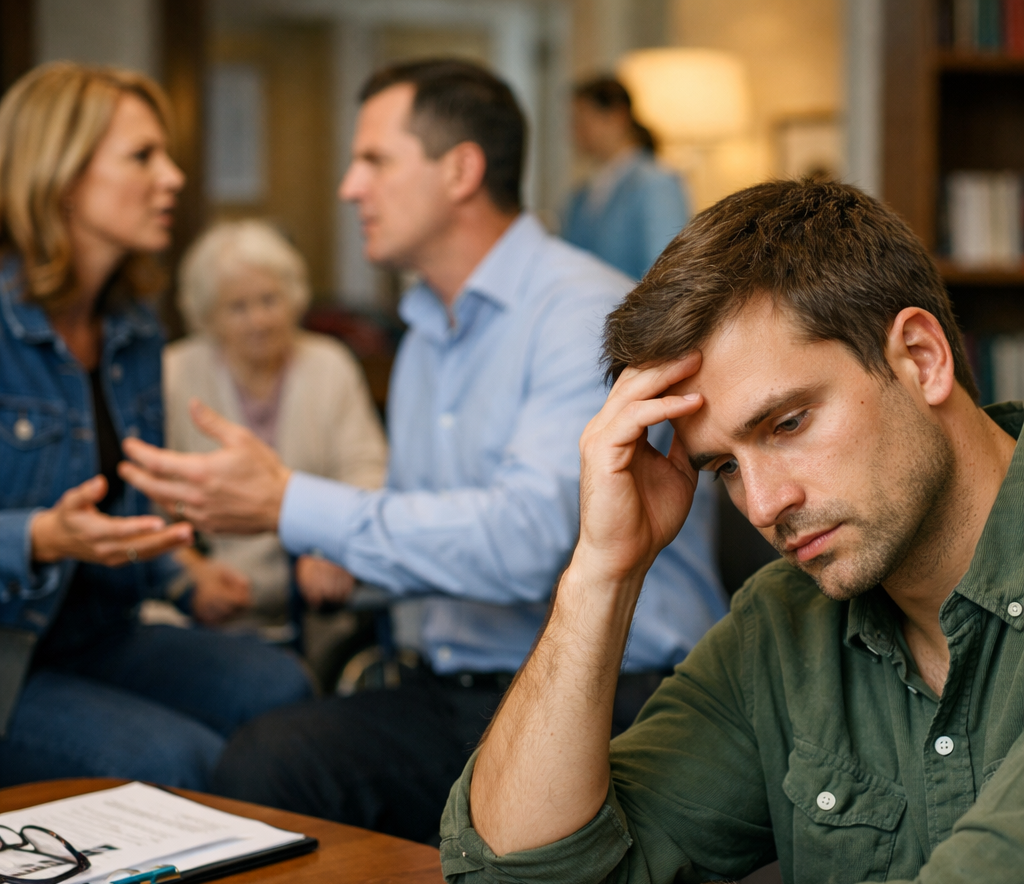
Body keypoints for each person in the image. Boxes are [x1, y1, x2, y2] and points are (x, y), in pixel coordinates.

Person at [441, 178, 1024, 884]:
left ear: (922, 358)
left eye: (787, 424)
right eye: (723, 468)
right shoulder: (783, 624)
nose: (762, 505)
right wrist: (604, 571)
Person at [120, 59, 726, 843]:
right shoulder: (426, 332)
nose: (348, 186)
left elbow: (522, 548)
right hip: (459, 688)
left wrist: (290, 504)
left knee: (280, 768)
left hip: (612, 691)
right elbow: (426, 519)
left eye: (373, 159)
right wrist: (350, 562)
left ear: (460, 170)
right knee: (266, 764)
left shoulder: (581, 312)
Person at [0, 63, 311, 792]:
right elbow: (62, 529)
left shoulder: (134, 330)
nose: (172, 177)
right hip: (10, 662)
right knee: (176, 761)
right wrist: (37, 538)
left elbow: (123, 509)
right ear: (64, 174)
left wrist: (183, 571)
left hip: (97, 635)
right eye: (142, 157)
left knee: (284, 694)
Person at [164, 219, 387, 635]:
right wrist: (191, 574)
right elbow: (150, 502)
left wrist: (334, 543)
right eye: (238, 307)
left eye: (270, 300)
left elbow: (367, 469)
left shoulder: (329, 364)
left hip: (316, 605)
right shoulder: (175, 373)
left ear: (293, 298)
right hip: (202, 610)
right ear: (209, 317)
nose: (259, 321)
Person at [561, 77, 689, 280]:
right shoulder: (582, 193)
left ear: (617, 117)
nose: (574, 132)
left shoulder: (656, 183)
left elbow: (667, 273)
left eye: (582, 120)